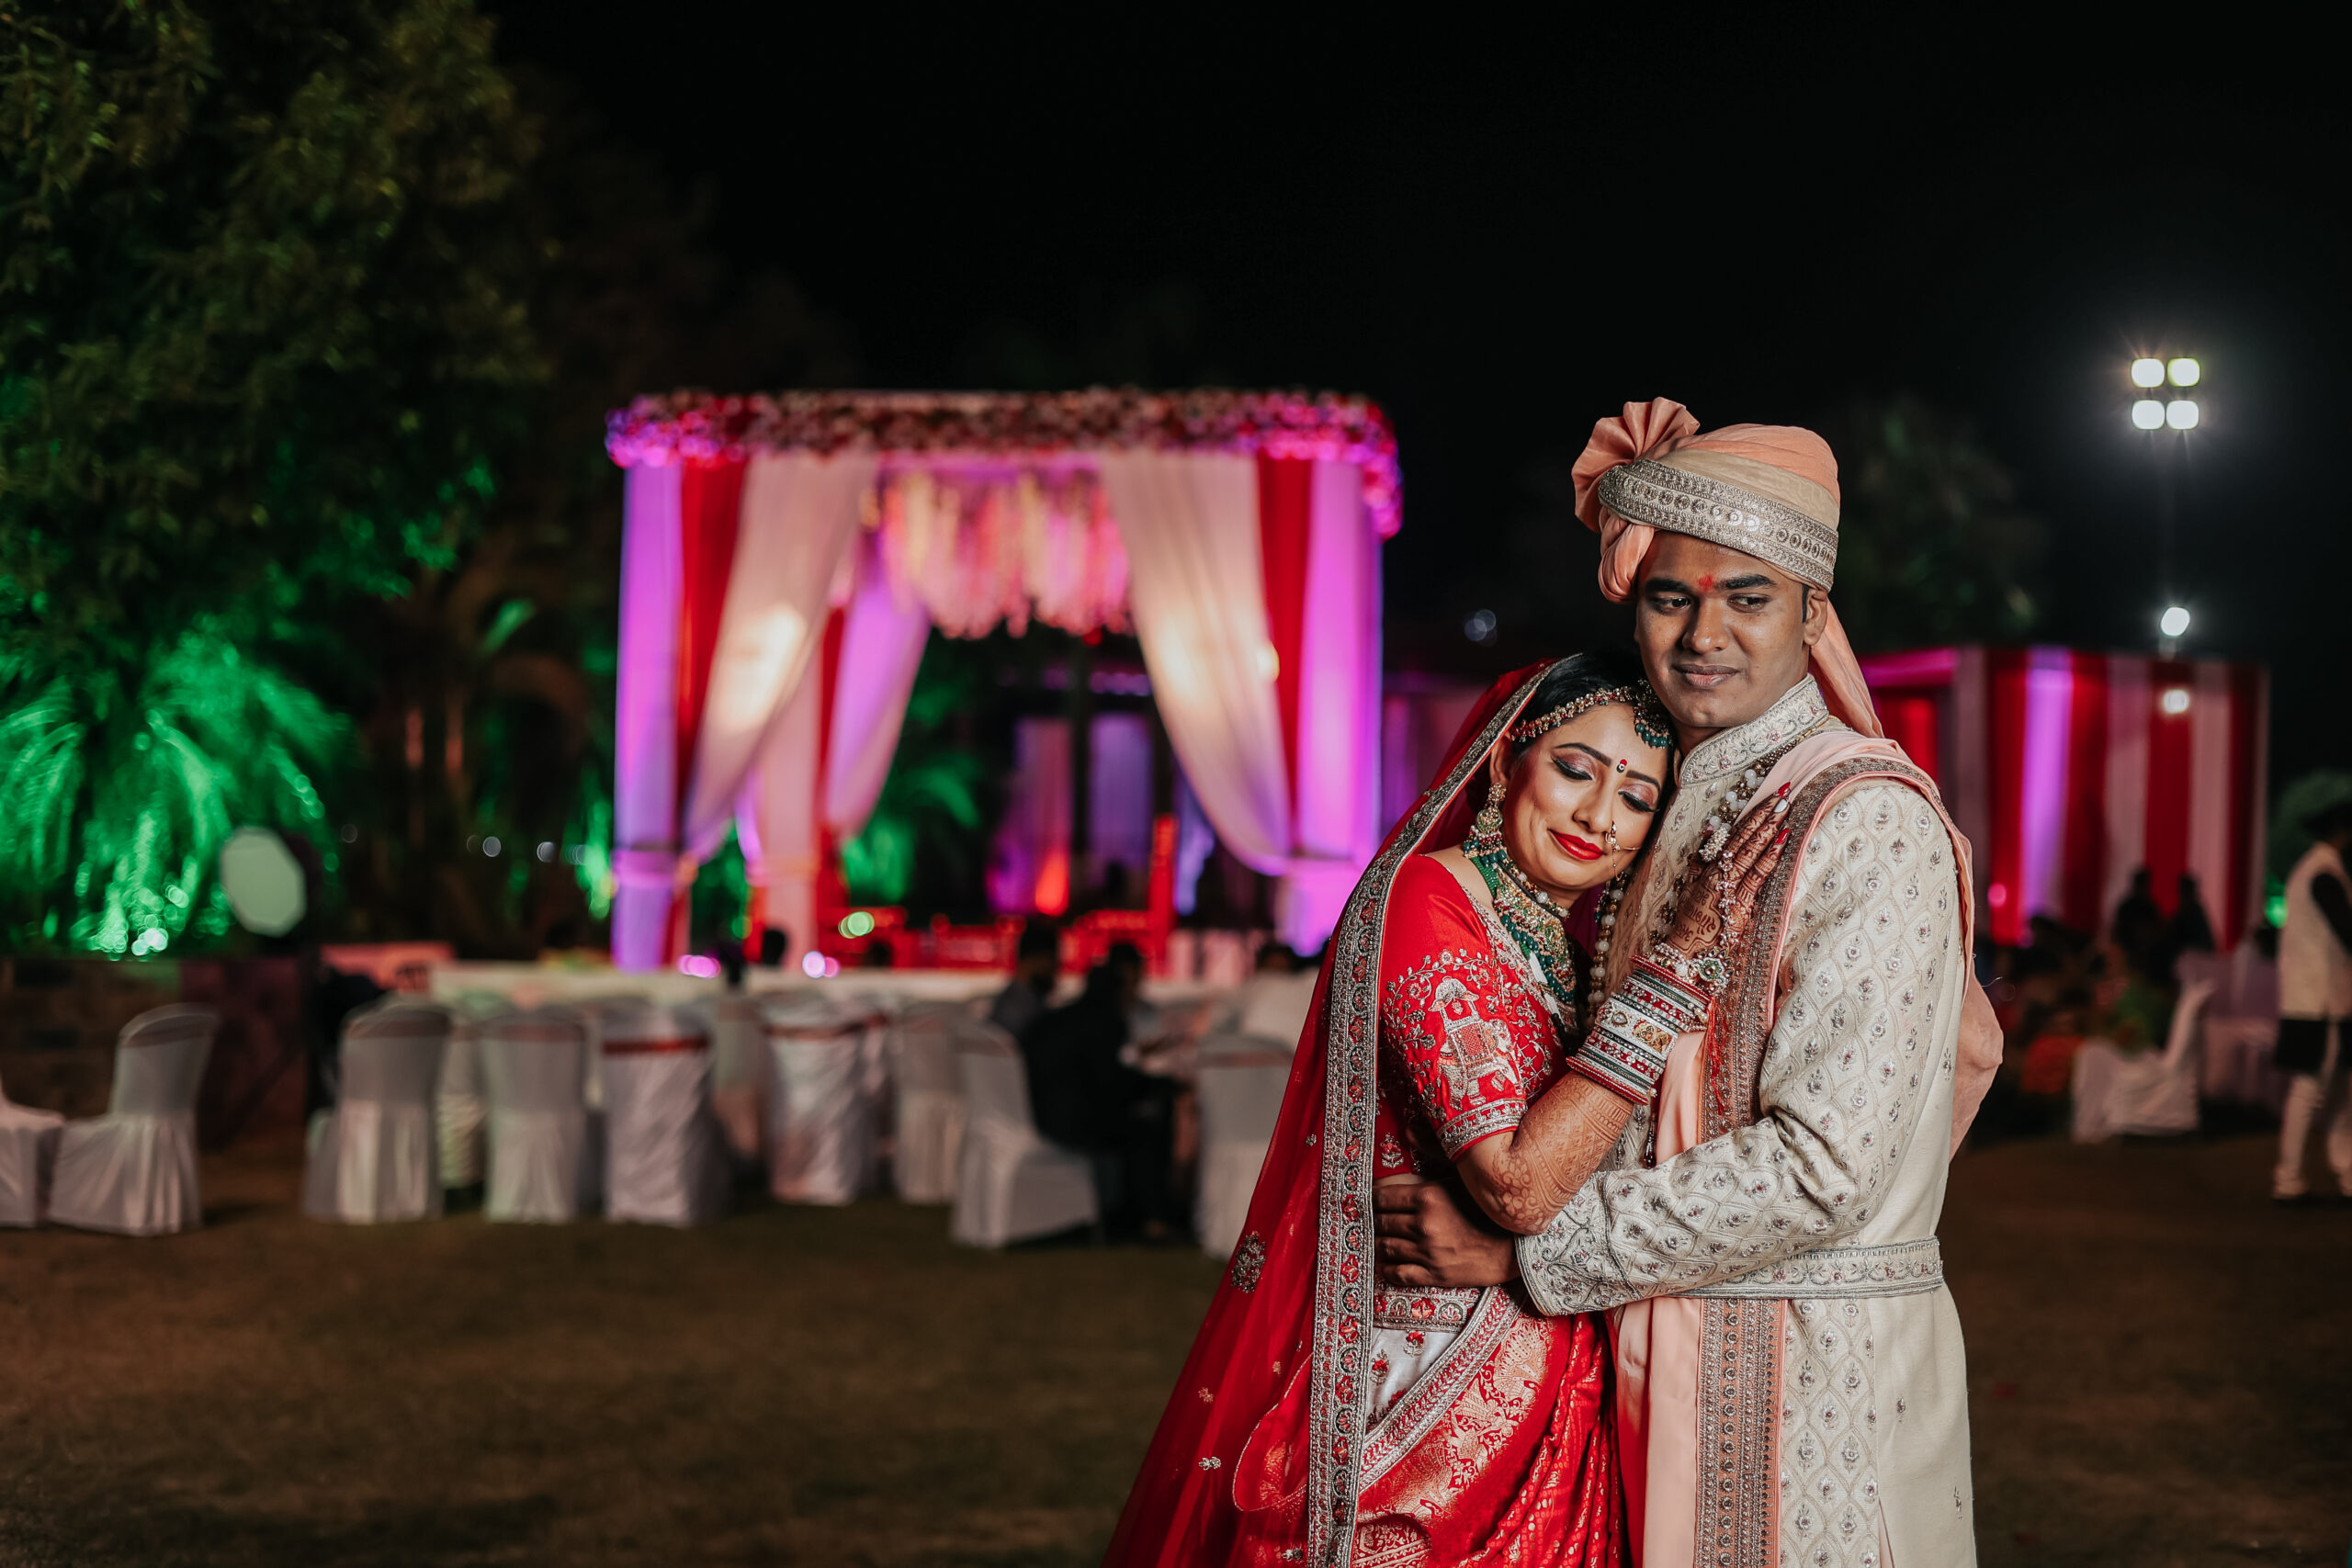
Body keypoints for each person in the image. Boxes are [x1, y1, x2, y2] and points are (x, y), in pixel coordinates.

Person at [1375, 400, 2004, 1568]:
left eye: (1747, 599)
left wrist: (1524, 1254)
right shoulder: (1670, 801)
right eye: (1672, 599)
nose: (1703, 634)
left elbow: (1822, 1169)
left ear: (1812, 613)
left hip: (1814, 1383)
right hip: (1654, 1360)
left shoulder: (1863, 819)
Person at [1107, 651, 1719, 1567]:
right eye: (1575, 770)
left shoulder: (1562, 943)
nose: (1600, 816)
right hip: (1414, 1406)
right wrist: (1665, 989)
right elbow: (1516, 1184)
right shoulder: (1427, 900)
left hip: (1542, 1387)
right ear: (1507, 757)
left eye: (1636, 797)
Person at [1023, 942, 1175, 1235]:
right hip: (1070, 1124)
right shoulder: (1106, 1022)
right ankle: (1153, 1218)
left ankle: (1139, 1211)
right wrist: (1161, 1085)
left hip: (1039, 1113)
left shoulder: (1058, 1018)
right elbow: (1110, 1086)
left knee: (1139, 1121)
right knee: (1148, 1128)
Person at [2271, 801, 2352, 1203]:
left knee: (2334, 1091)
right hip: (2323, 1002)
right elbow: (2346, 929)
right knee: (2318, 1091)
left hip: (2310, 999)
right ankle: (2290, 1178)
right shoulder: (2324, 874)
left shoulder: (2310, 870)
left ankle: (2335, 1174)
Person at [989, 916, 1061, 1043]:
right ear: (1032, 961)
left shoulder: (1028, 1000)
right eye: (1051, 962)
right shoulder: (1015, 1008)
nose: (1055, 971)